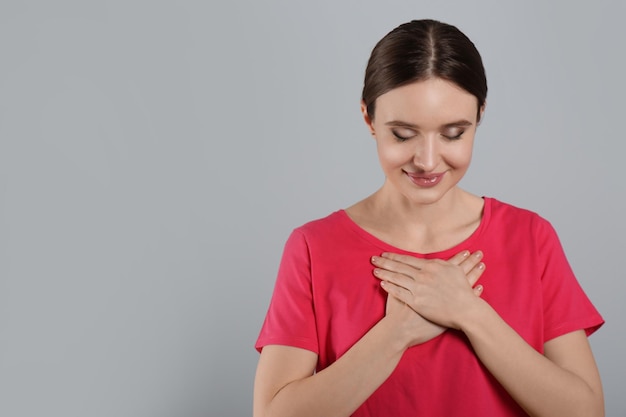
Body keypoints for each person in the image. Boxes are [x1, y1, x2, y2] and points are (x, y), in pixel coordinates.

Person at [253, 19, 604, 417]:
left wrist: (469, 313)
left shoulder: (530, 237)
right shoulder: (313, 248)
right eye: (403, 134)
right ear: (368, 118)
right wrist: (395, 334)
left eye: (454, 133)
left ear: (480, 116)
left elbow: (585, 411)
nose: (428, 160)